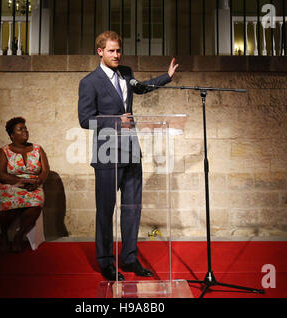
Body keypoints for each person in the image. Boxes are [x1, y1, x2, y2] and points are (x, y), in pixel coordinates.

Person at [78, 31, 179, 281]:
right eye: (111, 51)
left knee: (132, 209)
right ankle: (106, 263)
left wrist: (166, 77)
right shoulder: (89, 82)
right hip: (107, 155)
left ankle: (130, 258)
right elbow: (84, 119)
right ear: (100, 51)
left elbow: (141, 88)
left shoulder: (127, 72)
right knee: (105, 210)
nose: (116, 55)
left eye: (118, 50)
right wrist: (115, 121)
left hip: (132, 153)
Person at [0, 117, 50, 253]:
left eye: (25, 128)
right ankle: (4, 236)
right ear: (12, 135)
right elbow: (0, 174)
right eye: (20, 129)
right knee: (8, 203)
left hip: (33, 186)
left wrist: (38, 181)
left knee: (36, 203)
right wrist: (20, 182)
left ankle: (19, 236)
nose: (25, 131)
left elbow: (45, 170)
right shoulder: (3, 151)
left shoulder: (37, 149)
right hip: (9, 185)